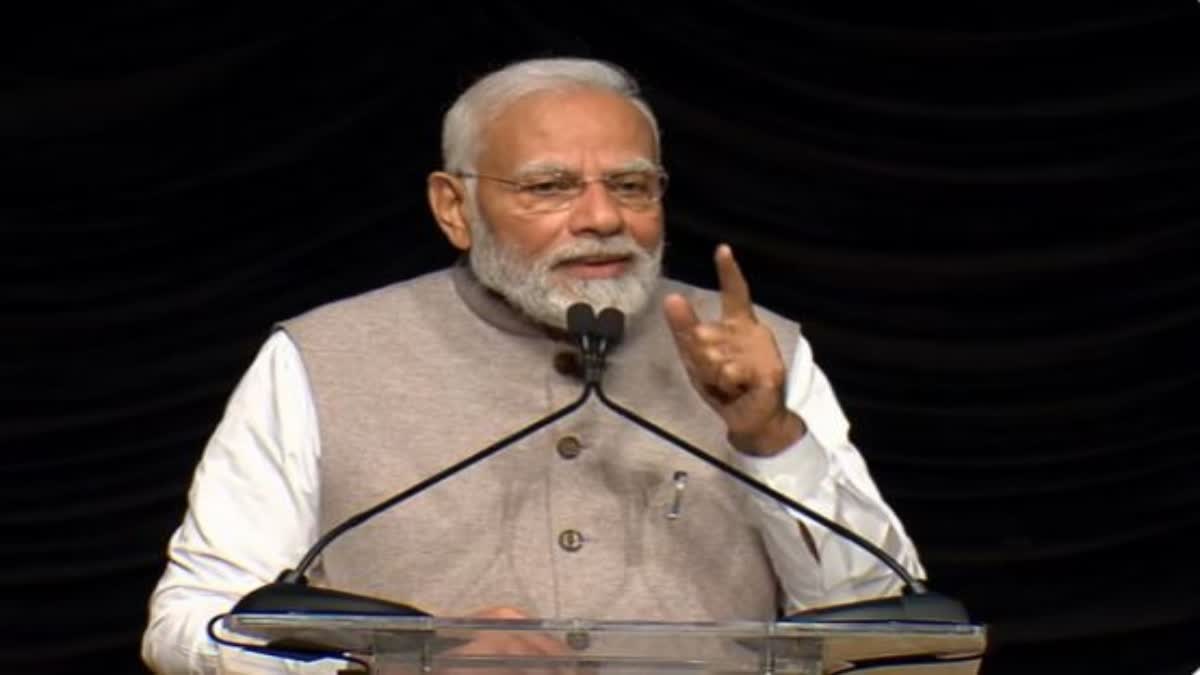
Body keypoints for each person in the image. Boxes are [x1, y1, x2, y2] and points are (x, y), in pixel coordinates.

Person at [141, 56, 926, 674]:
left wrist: (770, 435)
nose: (601, 217)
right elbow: (191, 622)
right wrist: (382, 666)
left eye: (631, 185)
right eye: (549, 187)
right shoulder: (321, 357)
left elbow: (886, 625)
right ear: (454, 207)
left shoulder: (759, 350)